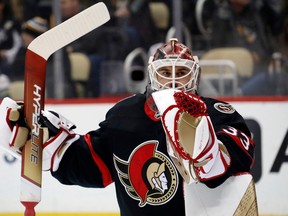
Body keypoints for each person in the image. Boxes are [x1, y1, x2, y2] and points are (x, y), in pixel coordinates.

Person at [0, 39, 255, 215]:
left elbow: (235, 159)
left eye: (182, 72)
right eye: (166, 71)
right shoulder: (125, 115)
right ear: (152, 74)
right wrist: (46, 141)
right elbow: (90, 165)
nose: (174, 79)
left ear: (195, 75)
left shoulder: (219, 113)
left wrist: (204, 144)